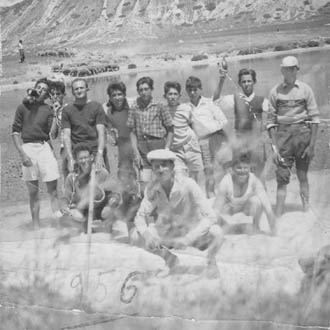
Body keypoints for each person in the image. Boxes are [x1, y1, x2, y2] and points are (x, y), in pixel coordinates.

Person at [131, 149, 224, 274]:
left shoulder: (189, 184)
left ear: (172, 167)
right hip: (168, 233)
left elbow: (211, 217)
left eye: (164, 165)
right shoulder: (152, 188)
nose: (160, 170)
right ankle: (169, 259)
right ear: (153, 170)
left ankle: (211, 260)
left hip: (191, 231)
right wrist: (147, 235)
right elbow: (140, 217)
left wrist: (188, 239)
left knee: (217, 233)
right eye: (156, 167)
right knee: (136, 236)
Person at [267, 56, 320, 217]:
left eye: (293, 68)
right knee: (282, 177)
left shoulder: (305, 89)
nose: (290, 72)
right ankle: (279, 212)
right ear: (282, 70)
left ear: (297, 70)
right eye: (286, 69)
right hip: (283, 137)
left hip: (303, 134)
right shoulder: (275, 92)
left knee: (303, 175)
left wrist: (311, 146)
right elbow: (270, 122)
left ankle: (306, 209)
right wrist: (275, 148)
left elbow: (315, 119)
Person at [12, 78, 60, 228]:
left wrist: (56, 113)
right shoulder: (22, 107)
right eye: (38, 87)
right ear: (34, 88)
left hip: (44, 147)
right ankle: (36, 226)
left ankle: (58, 225)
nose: (40, 90)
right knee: (33, 192)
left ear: (47, 94)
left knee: (53, 189)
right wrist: (22, 154)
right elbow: (15, 132)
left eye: (44, 89)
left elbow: (52, 134)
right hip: (28, 148)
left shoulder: (48, 109)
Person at [215, 67, 269, 180]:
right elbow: (216, 100)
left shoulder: (262, 100)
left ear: (254, 82)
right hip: (240, 144)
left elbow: (273, 116)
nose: (246, 84)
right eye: (243, 81)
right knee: (241, 178)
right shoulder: (234, 99)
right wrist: (221, 79)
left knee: (259, 179)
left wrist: (264, 131)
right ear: (239, 83)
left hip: (256, 144)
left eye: (249, 81)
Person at [185, 76, 228, 197]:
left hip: (218, 137)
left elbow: (223, 120)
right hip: (202, 142)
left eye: (195, 89)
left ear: (200, 89)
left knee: (226, 168)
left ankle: (228, 197)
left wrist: (216, 134)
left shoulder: (209, 103)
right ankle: (211, 197)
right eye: (189, 90)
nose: (192, 92)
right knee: (209, 172)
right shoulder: (186, 108)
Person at [213, 152, 276, 235]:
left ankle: (255, 226)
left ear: (249, 169)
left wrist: (274, 231)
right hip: (228, 209)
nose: (242, 171)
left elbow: (268, 209)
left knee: (257, 201)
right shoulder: (226, 182)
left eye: (245, 168)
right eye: (239, 168)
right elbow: (216, 210)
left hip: (245, 207)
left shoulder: (254, 181)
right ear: (232, 169)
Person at [127, 76, 173, 187]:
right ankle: (148, 202)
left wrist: (167, 148)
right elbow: (132, 131)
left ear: (151, 89)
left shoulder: (160, 105)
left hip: (158, 144)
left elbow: (170, 129)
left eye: (146, 89)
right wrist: (136, 152)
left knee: (162, 177)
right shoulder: (134, 107)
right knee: (145, 180)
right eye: (141, 90)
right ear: (138, 91)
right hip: (142, 146)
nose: (143, 92)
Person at [61, 78, 108, 174]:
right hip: (77, 152)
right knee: (77, 184)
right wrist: (70, 158)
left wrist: (99, 155)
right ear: (73, 92)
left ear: (87, 89)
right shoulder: (67, 110)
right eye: (76, 89)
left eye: (81, 88)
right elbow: (66, 136)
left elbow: (101, 133)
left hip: (94, 150)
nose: (79, 90)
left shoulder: (97, 106)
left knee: (101, 181)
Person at [61, 143, 110, 231]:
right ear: (76, 160)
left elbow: (112, 194)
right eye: (81, 158)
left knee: (108, 212)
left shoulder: (102, 173)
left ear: (91, 157)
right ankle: (85, 225)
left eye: (86, 157)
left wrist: (110, 205)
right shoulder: (71, 178)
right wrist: (65, 207)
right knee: (72, 215)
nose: (84, 161)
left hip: (100, 209)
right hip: (83, 211)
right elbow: (66, 198)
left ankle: (103, 224)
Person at [163, 81, 203, 181]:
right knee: (180, 178)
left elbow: (192, 125)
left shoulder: (186, 108)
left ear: (179, 95)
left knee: (196, 178)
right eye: (170, 94)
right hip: (175, 149)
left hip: (191, 146)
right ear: (165, 96)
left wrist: (198, 141)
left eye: (175, 94)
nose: (173, 97)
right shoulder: (163, 110)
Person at [103, 81, 135, 180]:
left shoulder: (132, 105)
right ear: (110, 97)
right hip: (121, 145)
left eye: (120, 94)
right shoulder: (106, 110)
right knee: (123, 173)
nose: (117, 98)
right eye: (114, 95)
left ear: (124, 94)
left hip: (135, 141)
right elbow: (108, 128)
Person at [49, 80, 69, 178]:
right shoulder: (52, 112)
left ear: (64, 94)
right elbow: (53, 135)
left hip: (74, 146)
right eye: (53, 94)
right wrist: (55, 114)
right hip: (63, 148)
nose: (55, 96)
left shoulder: (69, 108)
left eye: (58, 94)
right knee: (66, 175)